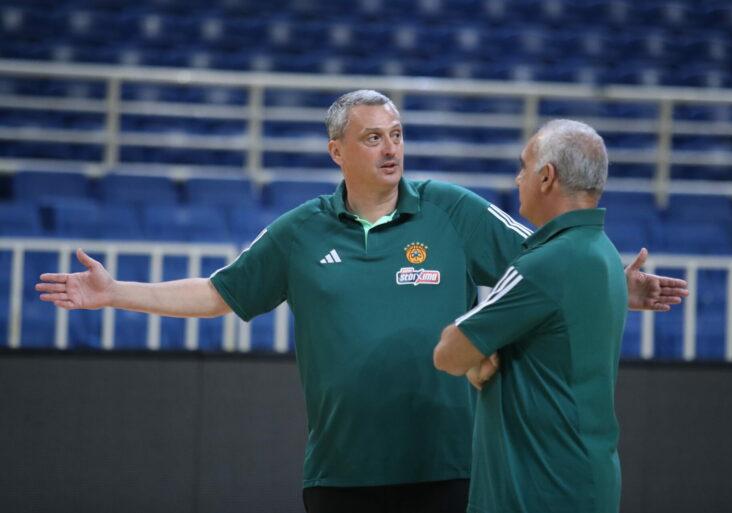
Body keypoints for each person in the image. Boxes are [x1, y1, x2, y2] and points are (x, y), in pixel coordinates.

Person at [36, 91, 686, 513]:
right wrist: (115, 291)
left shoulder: (452, 209)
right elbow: (217, 293)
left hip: (449, 468)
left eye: (397, 133)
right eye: (373, 137)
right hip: (342, 474)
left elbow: (548, 264)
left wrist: (619, 285)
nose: (391, 147)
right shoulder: (300, 230)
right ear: (337, 151)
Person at [434, 119, 631, 513]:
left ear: (546, 177)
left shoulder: (544, 263)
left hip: (535, 489)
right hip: (583, 481)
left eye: (523, 167)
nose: (517, 178)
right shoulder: (603, 251)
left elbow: (449, 354)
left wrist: (472, 355)